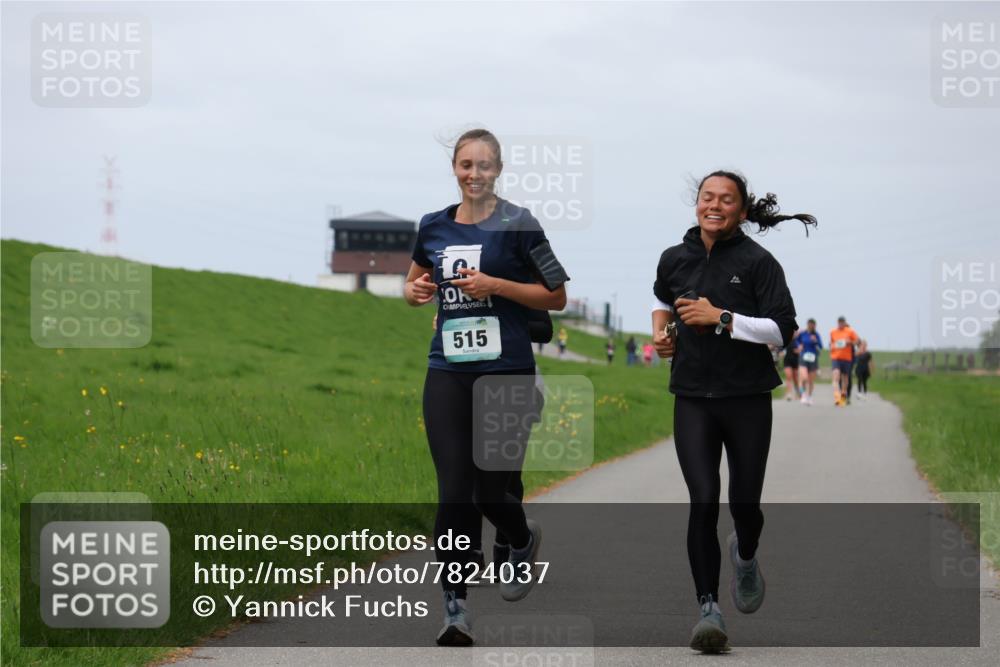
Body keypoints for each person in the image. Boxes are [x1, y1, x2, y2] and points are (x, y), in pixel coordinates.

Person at [405, 128, 568, 646]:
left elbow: (556, 295)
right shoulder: (432, 226)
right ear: (454, 168)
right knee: (454, 492)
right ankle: (455, 608)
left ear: (498, 170)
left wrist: (495, 285)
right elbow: (413, 286)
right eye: (465, 165)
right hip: (449, 370)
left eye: (484, 166)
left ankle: (518, 538)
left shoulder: (520, 225)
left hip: (505, 370)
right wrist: (416, 290)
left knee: (489, 491)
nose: (473, 174)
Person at [651, 170, 815, 653]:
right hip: (693, 397)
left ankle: (745, 555)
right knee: (703, 499)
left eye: (726, 200)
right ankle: (708, 609)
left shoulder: (759, 262)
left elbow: (782, 330)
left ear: (742, 212)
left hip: (746, 399)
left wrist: (721, 317)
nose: (714, 205)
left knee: (744, 505)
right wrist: (662, 334)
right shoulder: (673, 257)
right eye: (707, 197)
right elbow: (662, 299)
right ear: (697, 204)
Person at [829, 316, 860, 407]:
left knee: (845, 378)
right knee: (836, 375)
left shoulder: (850, 331)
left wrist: (849, 342)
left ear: (845, 323)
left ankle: (843, 397)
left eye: (842, 322)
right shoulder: (833, 332)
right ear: (837, 323)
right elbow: (831, 343)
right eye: (839, 322)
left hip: (847, 358)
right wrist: (832, 346)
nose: (841, 324)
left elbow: (857, 341)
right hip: (836, 357)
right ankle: (837, 397)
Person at [794, 320, 822, 406]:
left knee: (810, 380)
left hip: (813, 358)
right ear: (807, 325)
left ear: (815, 326)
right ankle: (803, 395)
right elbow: (796, 340)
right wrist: (799, 345)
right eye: (810, 324)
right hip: (803, 357)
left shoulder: (816, 335)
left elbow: (821, 346)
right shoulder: (803, 333)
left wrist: (815, 341)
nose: (811, 326)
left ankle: (809, 396)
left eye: (813, 325)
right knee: (804, 377)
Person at [781, 334, 801, 401]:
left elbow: (800, 349)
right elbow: (781, 349)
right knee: (788, 376)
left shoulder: (797, 341)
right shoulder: (785, 340)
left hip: (795, 361)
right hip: (787, 361)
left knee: (795, 378)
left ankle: (797, 391)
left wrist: (798, 350)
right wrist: (781, 353)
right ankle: (789, 394)